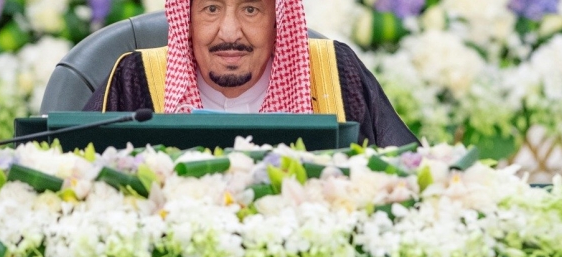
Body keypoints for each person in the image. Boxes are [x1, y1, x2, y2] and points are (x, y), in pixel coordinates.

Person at [82, 0, 418, 147]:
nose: (230, 32)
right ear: (187, 19)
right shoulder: (137, 78)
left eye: (251, 9)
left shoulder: (334, 71)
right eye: (211, 9)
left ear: (277, 20)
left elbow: (407, 175)